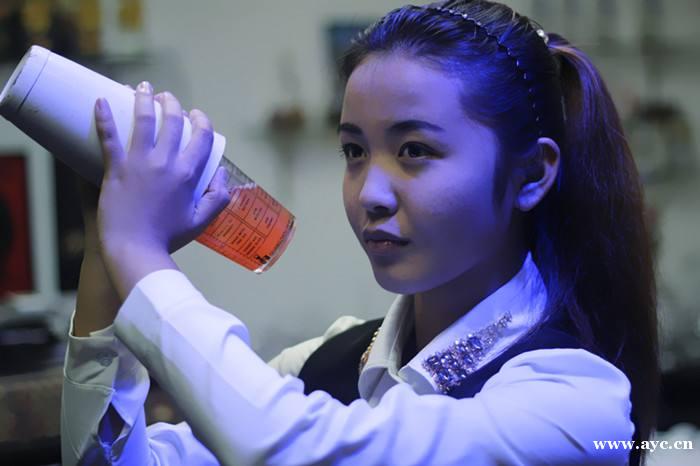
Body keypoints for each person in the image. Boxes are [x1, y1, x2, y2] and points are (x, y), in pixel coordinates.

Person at [61, 1, 659, 465]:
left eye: (415, 150)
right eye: (354, 150)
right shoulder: (322, 362)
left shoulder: (574, 401)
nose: (370, 192)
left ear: (531, 173)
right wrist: (104, 251)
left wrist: (138, 249)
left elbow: (288, 447)